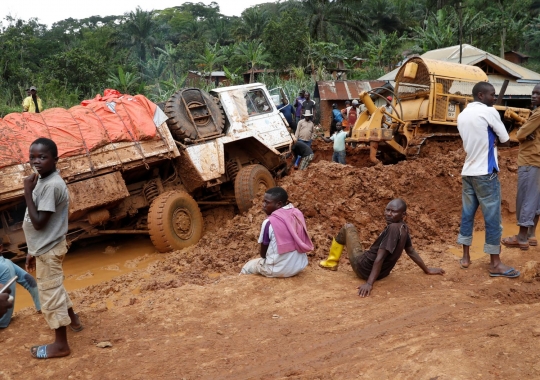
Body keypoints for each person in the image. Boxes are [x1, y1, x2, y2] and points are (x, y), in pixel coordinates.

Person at [23, 137, 83, 359]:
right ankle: (74, 319)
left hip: (48, 249)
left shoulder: (50, 185)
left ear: (55, 159)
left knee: (50, 294)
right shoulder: (42, 179)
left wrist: (26, 191)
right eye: (32, 157)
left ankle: (61, 345)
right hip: (44, 247)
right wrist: (32, 250)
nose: (36, 161)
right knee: (54, 285)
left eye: (42, 157)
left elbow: (39, 223)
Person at [319, 199, 445, 297]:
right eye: (387, 210)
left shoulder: (392, 229)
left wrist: (369, 284)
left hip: (362, 267)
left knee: (348, 227)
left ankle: (331, 262)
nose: (388, 214)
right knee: (366, 249)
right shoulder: (404, 227)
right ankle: (333, 262)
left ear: (403, 214)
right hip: (382, 273)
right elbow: (410, 250)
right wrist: (427, 269)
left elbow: (380, 258)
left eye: (393, 211)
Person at [456, 82, 519, 278]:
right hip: (486, 172)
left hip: (468, 171)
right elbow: (506, 139)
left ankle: (465, 257)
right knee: (492, 218)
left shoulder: (462, 115)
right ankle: (495, 263)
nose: (494, 98)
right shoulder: (489, 112)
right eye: (492, 95)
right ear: (481, 95)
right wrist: (496, 139)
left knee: (467, 214)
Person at [240, 187, 313, 277]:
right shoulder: (297, 214)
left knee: (248, 266)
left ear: (279, 204)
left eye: (267, 202)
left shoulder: (269, 222)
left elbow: (263, 254)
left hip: (277, 270)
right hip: (299, 265)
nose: (263, 205)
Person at [501, 84, 540, 250]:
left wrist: (524, 130)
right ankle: (531, 235)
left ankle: (521, 237)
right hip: (537, 161)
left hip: (530, 160)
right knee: (536, 199)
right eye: (533, 93)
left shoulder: (537, 114)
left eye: (538, 93)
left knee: (526, 198)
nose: (533, 96)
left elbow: (520, 134)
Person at [0, 242, 41, 328]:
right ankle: (40, 307)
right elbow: (30, 281)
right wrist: (40, 307)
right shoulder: (8, 263)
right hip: (5, 319)